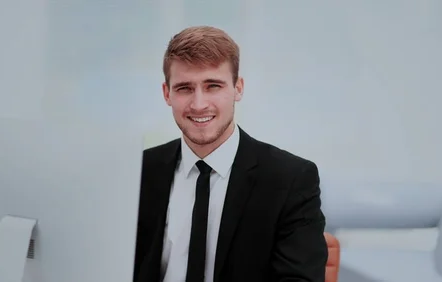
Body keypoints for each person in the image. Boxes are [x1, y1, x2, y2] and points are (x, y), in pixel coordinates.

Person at [134, 26, 328, 282]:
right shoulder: (139, 172)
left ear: (238, 88)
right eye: (184, 88)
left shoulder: (290, 179)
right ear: (167, 93)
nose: (199, 104)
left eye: (213, 86)